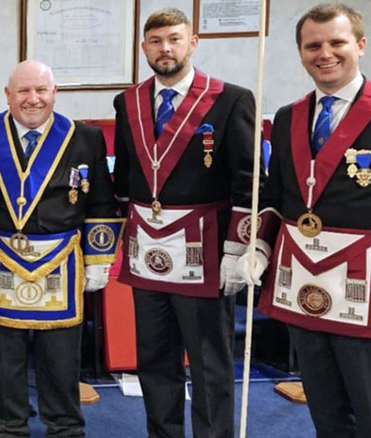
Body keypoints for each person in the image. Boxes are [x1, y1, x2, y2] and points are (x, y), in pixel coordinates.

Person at [240, 4, 371, 437]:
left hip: (369, 295)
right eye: (313, 45)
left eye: (337, 43)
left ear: (360, 45)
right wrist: (258, 247)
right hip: (304, 287)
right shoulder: (288, 117)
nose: (325, 53)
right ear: (300, 52)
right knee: (328, 415)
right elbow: (278, 199)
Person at [111, 8, 256, 438]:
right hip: (147, 249)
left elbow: (249, 182)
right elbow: (125, 179)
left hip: (206, 251)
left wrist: (240, 248)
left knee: (209, 362)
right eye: (155, 41)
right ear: (144, 49)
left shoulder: (230, 98)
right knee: (154, 358)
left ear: (193, 43)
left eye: (174, 39)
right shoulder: (129, 101)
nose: (165, 49)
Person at [0, 60, 121, 437]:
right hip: (1, 263)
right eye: (23, 91)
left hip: (61, 265)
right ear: (8, 94)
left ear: (55, 93)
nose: (32, 99)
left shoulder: (84, 137)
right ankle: (7, 430)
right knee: (4, 365)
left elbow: (101, 201)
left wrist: (100, 259)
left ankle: (65, 429)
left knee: (60, 363)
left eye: (41, 90)